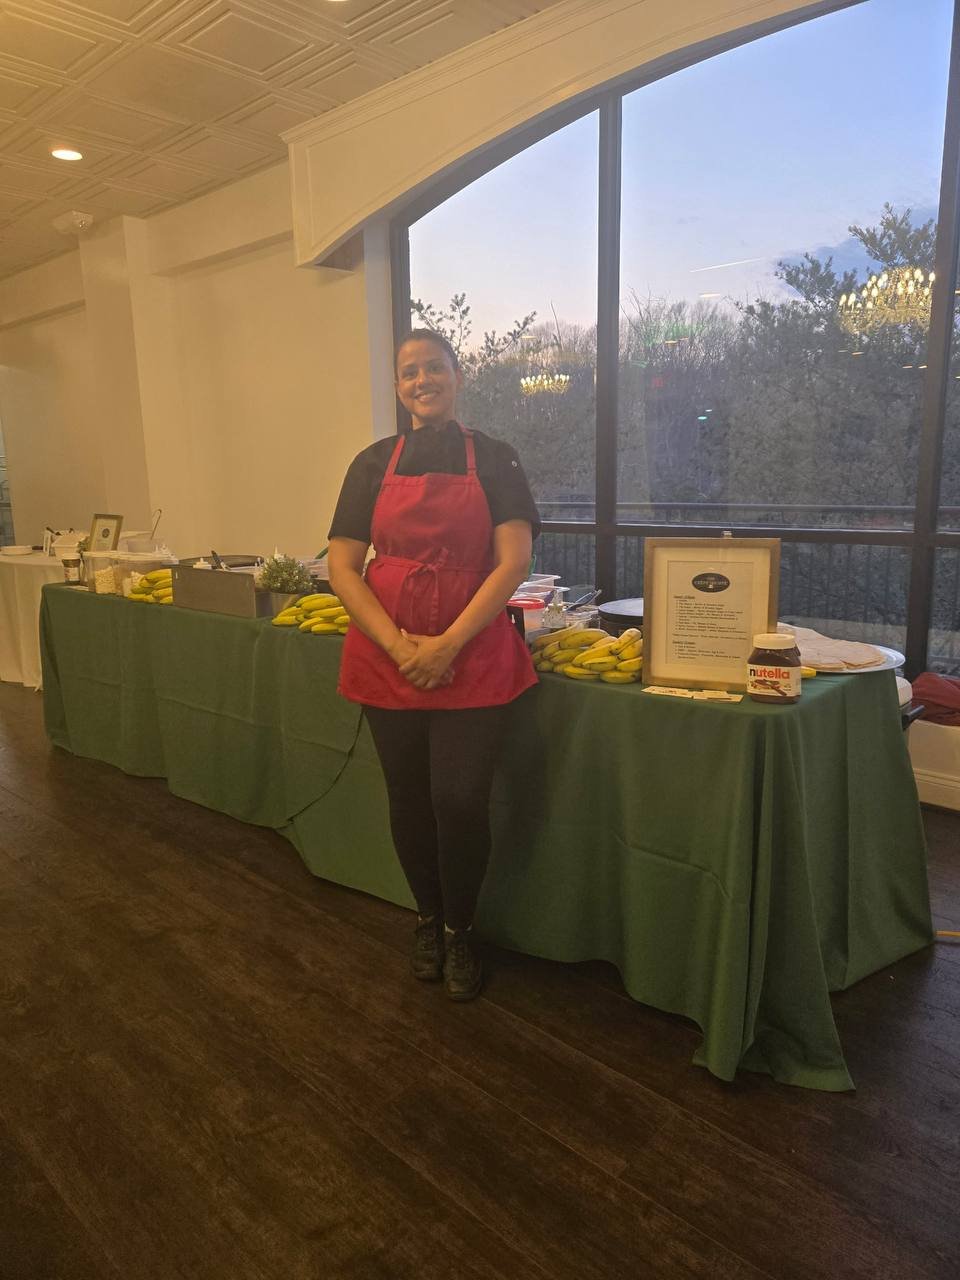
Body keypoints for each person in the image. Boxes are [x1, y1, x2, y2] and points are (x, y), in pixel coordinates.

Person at [327, 329, 540, 1000]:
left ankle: (462, 931)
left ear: (457, 376)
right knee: (410, 800)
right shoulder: (369, 463)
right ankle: (428, 918)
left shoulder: (499, 460)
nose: (422, 379)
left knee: (459, 800)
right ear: (398, 386)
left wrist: (447, 644)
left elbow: (513, 561)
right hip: (386, 655)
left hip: (473, 655)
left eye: (434, 368)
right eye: (409, 371)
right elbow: (342, 566)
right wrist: (399, 646)